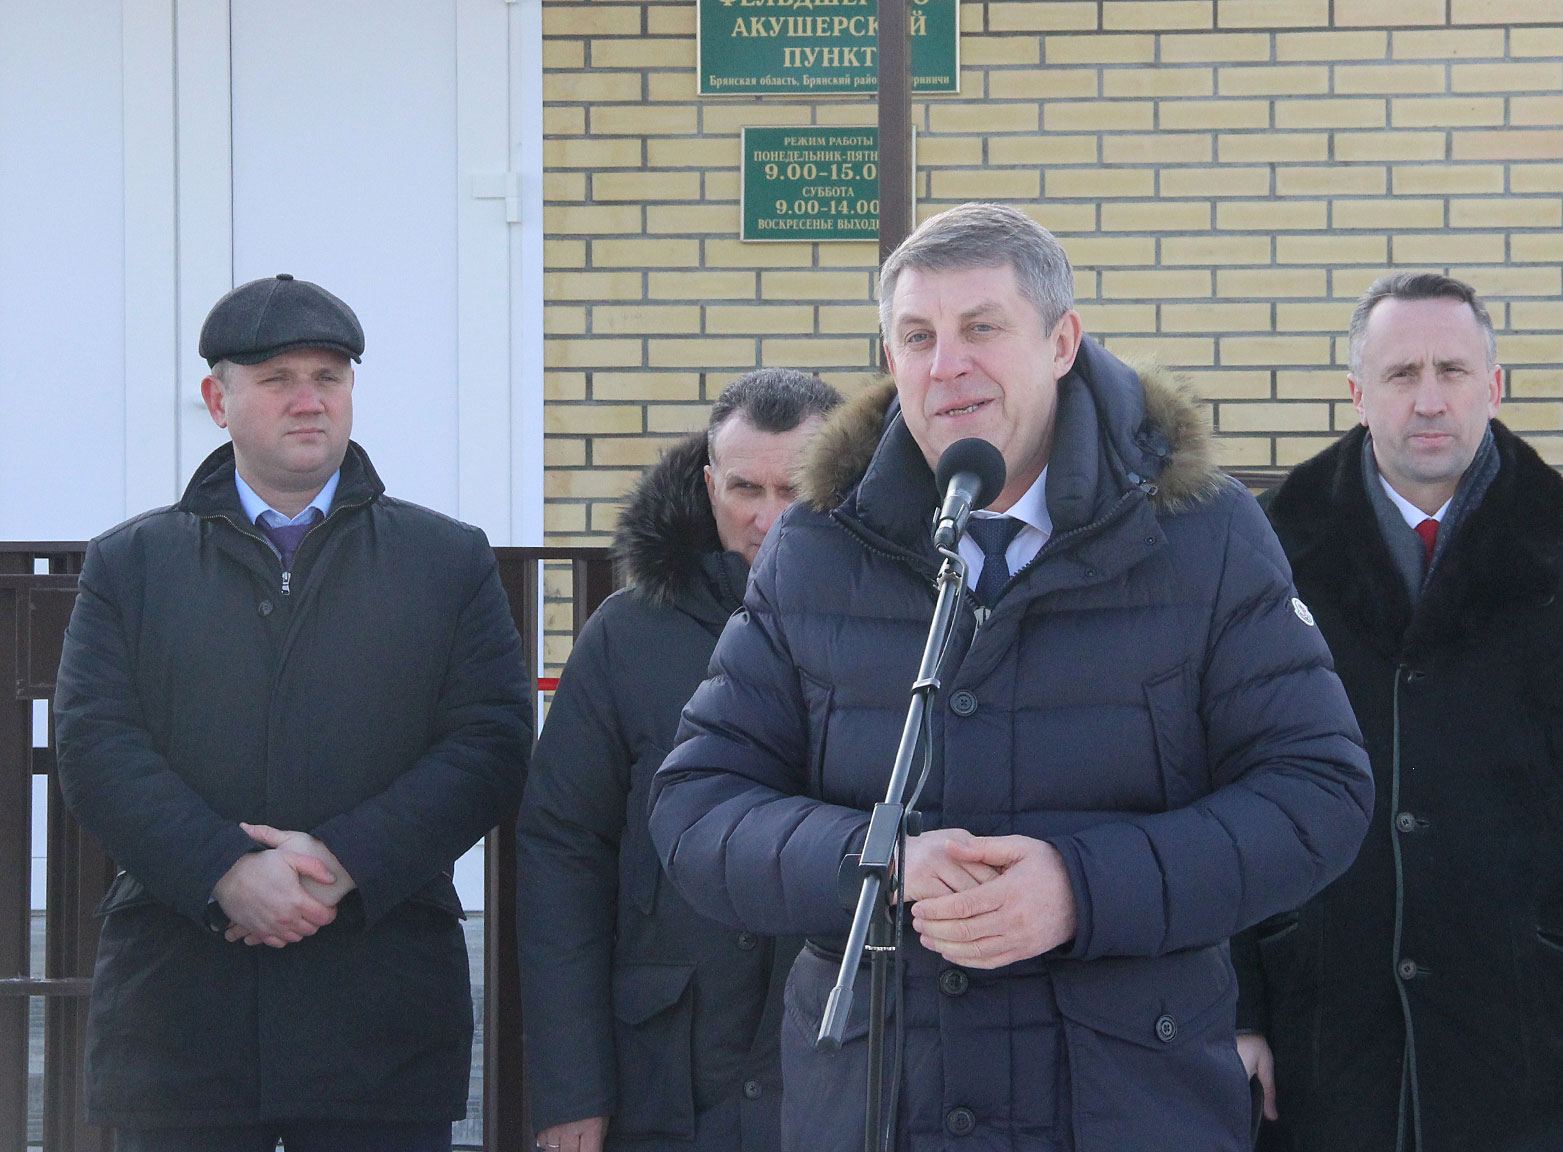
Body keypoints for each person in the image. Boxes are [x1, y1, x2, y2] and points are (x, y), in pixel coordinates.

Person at [648, 202, 1373, 1151]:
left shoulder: (1203, 534)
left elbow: (1317, 793)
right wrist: (877, 860)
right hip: (880, 1104)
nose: (946, 365)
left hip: (1124, 1104)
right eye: (918, 337)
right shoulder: (819, 547)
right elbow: (699, 806)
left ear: (1061, 342)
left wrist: (1082, 888)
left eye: (982, 328)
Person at [54, 274, 533, 1152]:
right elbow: (97, 747)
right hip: (182, 1019)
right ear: (217, 401)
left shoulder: (445, 561)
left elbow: (489, 745)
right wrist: (224, 872)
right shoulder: (132, 564)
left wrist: (343, 862)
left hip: (378, 1015)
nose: (309, 400)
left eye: (329, 377)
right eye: (277, 379)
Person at [1239, 272, 1563, 1152]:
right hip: (1323, 1035)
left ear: (1492, 387)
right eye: (1400, 373)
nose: (1429, 400)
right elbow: (1224, 787)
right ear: (1357, 394)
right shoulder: (1266, 550)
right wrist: (1238, 1010)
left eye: (1452, 371)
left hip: (1535, 1037)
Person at [517, 368, 843, 1152]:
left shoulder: (912, 629)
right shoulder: (626, 634)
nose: (768, 518)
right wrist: (571, 1087)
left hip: (845, 1072)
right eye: (745, 489)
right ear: (708, 484)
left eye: (795, 490)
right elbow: (563, 851)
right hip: (666, 1076)